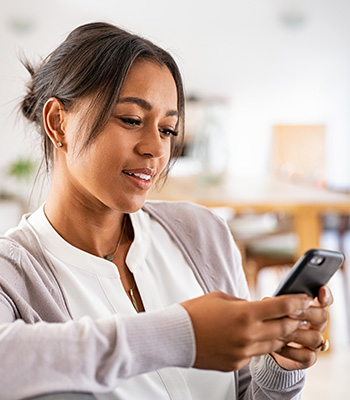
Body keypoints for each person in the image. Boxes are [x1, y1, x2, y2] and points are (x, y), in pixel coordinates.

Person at [0, 22, 332, 400]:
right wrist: (182, 335)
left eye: (168, 130)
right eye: (131, 120)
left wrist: (278, 367)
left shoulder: (202, 233)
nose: (156, 150)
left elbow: (244, 392)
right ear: (58, 123)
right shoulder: (12, 274)